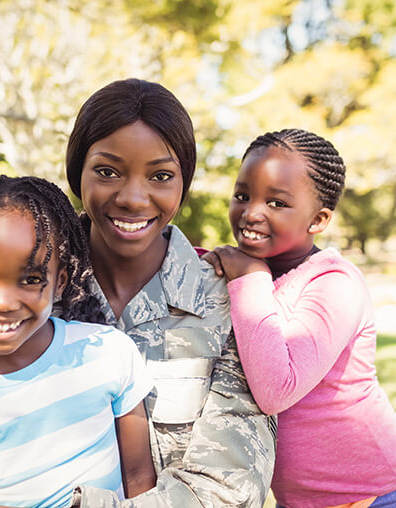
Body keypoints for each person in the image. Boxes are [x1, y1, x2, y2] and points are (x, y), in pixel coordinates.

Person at [64, 78, 276, 506]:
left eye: (160, 176)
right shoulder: (38, 290)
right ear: (76, 172)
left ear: (183, 184)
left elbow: (229, 490)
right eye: (107, 171)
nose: (133, 198)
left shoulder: (224, 301)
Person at [203, 129, 396, 508]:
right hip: (299, 499)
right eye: (242, 195)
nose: (251, 212)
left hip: (371, 491)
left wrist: (249, 277)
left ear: (318, 219)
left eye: (276, 202)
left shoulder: (334, 283)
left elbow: (277, 389)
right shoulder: (245, 270)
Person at [0, 175, 156, 508]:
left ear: (60, 283)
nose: (2, 302)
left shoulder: (108, 353)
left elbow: (141, 481)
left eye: (30, 279)